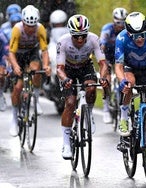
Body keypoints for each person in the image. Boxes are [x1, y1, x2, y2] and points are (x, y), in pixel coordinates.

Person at [56, 14, 109, 159]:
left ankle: (89, 113)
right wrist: (65, 79)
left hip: (86, 67)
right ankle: (66, 144)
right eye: (76, 36)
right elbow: (59, 68)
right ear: (70, 34)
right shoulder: (63, 42)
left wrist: (103, 77)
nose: (80, 39)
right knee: (70, 103)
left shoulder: (93, 39)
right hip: (68, 70)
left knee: (91, 88)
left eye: (83, 36)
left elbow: (103, 63)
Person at [8, 5, 51, 136]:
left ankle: (36, 100)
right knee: (17, 88)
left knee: (37, 69)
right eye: (28, 25)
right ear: (23, 22)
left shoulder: (40, 29)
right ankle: (14, 119)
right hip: (18, 55)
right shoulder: (17, 29)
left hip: (32, 53)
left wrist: (46, 65)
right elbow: (11, 52)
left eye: (33, 26)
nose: (31, 29)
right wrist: (15, 66)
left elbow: (44, 50)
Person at [99, 7, 128, 124]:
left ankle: (125, 107)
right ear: (113, 21)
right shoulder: (107, 29)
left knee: (125, 79)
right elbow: (102, 46)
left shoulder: (127, 30)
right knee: (107, 80)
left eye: (123, 23)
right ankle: (106, 108)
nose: (120, 26)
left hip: (122, 57)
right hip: (108, 56)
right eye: (118, 23)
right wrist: (103, 61)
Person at [0, 29, 9, 111]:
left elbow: (6, 50)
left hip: (1, 57)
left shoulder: (2, 35)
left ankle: (1, 95)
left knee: (1, 76)